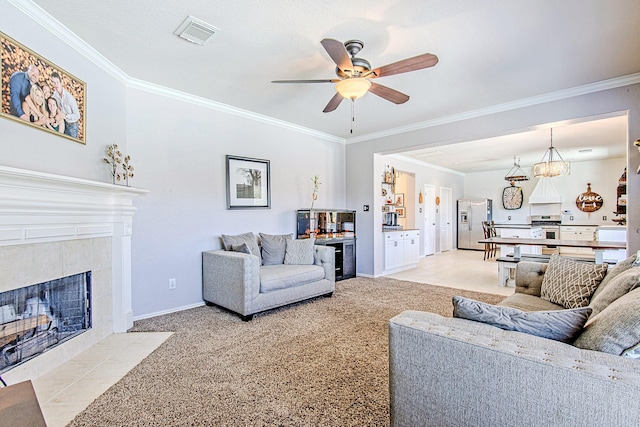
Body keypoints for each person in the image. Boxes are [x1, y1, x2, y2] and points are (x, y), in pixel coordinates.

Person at [50, 72, 80, 138]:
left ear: (61, 82)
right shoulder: (54, 96)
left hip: (72, 125)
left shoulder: (69, 98)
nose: (56, 85)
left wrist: (66, 116)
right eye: (54, 82)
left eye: (57, 82)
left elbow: (77, 115)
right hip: (62, 124)